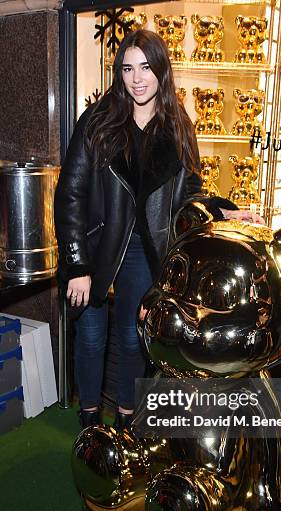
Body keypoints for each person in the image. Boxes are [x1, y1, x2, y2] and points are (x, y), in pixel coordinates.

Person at [54, 29, 254, 431]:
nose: (137, 78)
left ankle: (126, 419)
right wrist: (76, 264)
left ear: (161, 70)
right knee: (91, 340)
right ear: (119, 73)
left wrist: (219, 212)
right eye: (128, 68)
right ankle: (91, 422)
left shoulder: (179, 127)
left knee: (134, 340)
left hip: (146, 254)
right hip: (95, 249)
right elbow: (69, 194)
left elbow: (188, 196)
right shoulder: (98, 121)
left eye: (146, 66)